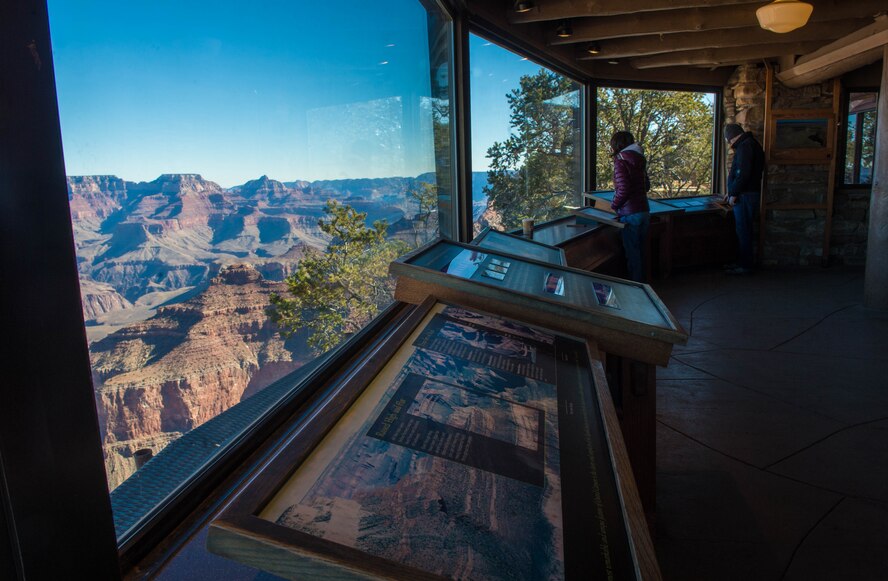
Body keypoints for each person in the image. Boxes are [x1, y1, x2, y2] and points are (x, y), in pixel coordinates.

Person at [723, 123, 765, 275]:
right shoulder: (751, 144)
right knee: (745, 229)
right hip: (747, 193)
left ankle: (745, 265)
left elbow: (743, 173)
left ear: (731, 138)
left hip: (745, 195)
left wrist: (734, 193)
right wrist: (731, 191)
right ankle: (742, 261)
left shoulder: (745, 147)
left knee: (743, 230)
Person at [610, 131, 651, 283]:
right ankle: (644, 286)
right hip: (644, 211)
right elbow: (646, 186)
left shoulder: (621, 161)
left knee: (632, 254)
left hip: (629, 214)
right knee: (640, 252)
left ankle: (636, 289)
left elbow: (624, 189)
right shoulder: (640, 159)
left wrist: (614, 205)